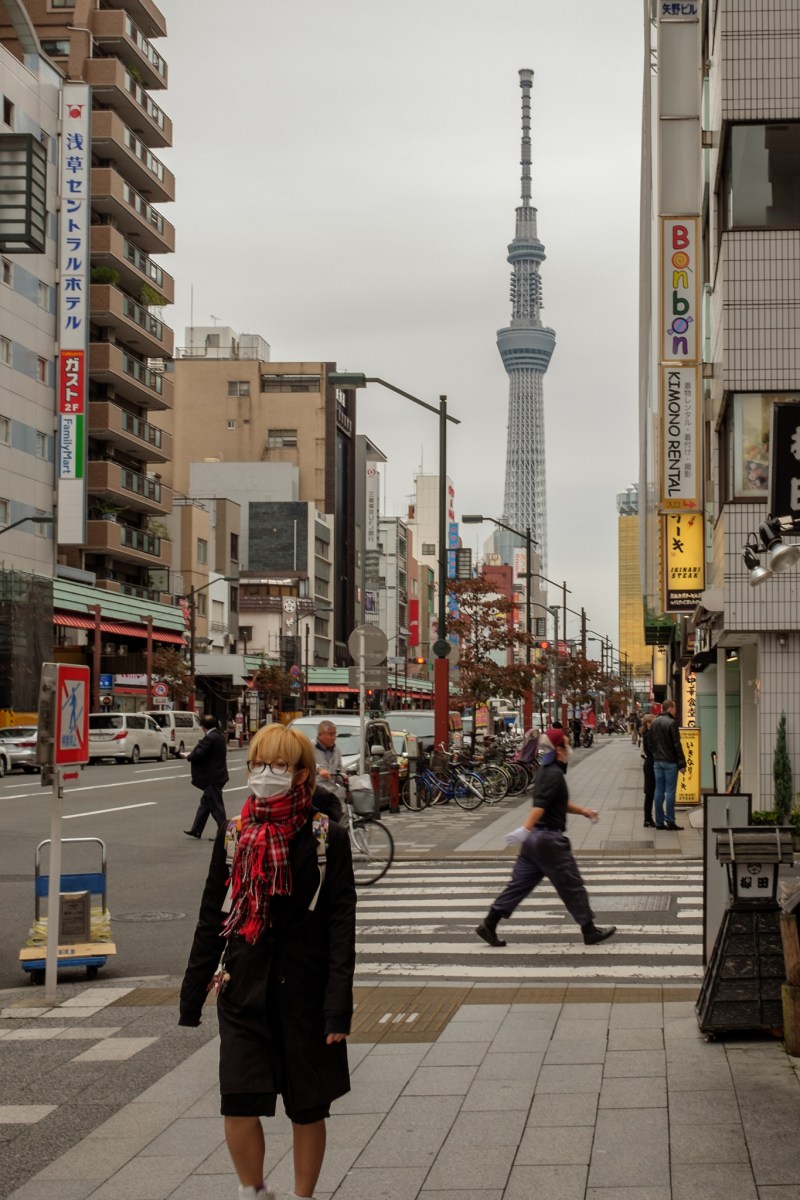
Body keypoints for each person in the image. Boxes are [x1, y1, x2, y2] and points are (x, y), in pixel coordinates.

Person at [179, 724, 356, 1200]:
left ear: (301, 774)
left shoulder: (327, 838)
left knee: (308, 1106)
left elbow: (341, 927)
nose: (264, 774)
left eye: (277, 765)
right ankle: (253, 1190)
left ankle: (302, 1197)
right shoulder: (236, 836)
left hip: (306, 992)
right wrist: (192, 994)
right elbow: (212, 916)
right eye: (258, 764)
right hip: (244, 988)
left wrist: (338, 1005)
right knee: (237, 1099)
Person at [475, 728, 616, 949]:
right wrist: (524, 828)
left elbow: (555, 803)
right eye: (567, 745)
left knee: (518, 885)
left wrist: (584, 811)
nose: (570, 749)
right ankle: (589, 930)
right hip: (548, 840)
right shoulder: (554, 774)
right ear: (559, 750)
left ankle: (489, 923)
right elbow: (540, 806)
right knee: (572, 884)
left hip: (534, 842)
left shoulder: (544, 770)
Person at [184, 714, 229, 839]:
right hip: (218, 775)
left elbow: (199, 753)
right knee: (205, 804)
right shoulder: (219, 736)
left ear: (203, 727)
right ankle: (197, 829)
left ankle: (223, 833)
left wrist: (189, 756)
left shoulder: (210, 738)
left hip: (212, 777)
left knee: (216, 806)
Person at [650, 700, 686, 830]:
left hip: (658, 761)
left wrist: (655, 755)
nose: (676, 711)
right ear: (669, 708)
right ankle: (670, 820)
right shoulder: (672, 723)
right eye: (675, 708)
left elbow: (651, 743)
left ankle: (659, 822)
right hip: (670, 762)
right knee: (670, 791)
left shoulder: (654, 722)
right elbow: (677, 744)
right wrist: (682, 762)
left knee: (658, 790)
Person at [312, 720, 344, 823]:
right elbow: (303, 765)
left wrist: (345, 778)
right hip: (316, 791)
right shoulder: (310, 747)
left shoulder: (336, 751)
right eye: (330, 734)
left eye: (334, 734)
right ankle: (320, 837)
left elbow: (339, 770)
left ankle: (333, 835)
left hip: (330, 791)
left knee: (336, 816)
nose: (333, 737)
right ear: (320, 735)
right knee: (321, 819)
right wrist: (319, 769)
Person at [641, 712, 656, 828]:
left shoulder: (648, 733)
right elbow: (650, 750)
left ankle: (648, 818)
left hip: (650, 763)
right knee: (650, 793)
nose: (653, 724)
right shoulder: (647, 734)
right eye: (651, 722)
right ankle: (647, 818)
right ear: (647, 724)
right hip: (650, 764)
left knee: (650, 793)